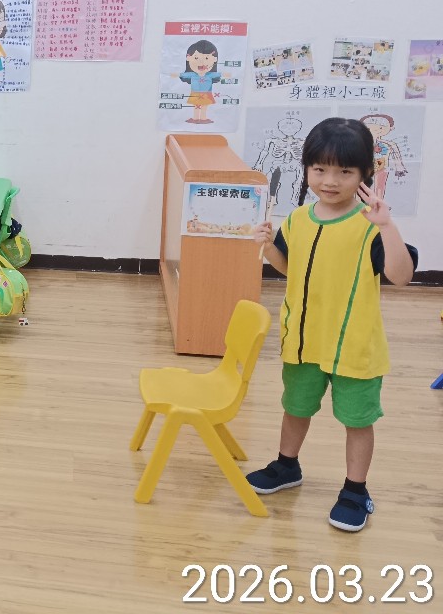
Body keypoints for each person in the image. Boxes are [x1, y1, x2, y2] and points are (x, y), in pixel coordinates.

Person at [250, 117, 417, 532]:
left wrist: (387, 227)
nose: (330, 180)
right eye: (320, 169)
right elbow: (290, 267)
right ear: (307, 169)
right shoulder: (298, 219)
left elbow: (401, 276)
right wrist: (269, 248)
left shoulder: (370, 225)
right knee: (295, 408)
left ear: (365, 175)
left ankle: (356, 491)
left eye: (344, 171)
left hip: (354, 346)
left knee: (357, 420)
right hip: (304, 341)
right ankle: (287, 465)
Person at [178, 39, 221, 124]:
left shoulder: (210, 75)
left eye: (206, 58)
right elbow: (183, 75)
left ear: (215, 59)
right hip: (196, 93)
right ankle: (195, 118)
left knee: (204, 106)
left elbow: (220, 74)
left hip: (206, 94)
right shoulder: (193, 74)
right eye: (196, 58)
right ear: (188, 58)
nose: (202, 62)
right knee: (196, 106)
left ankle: (203, 118)